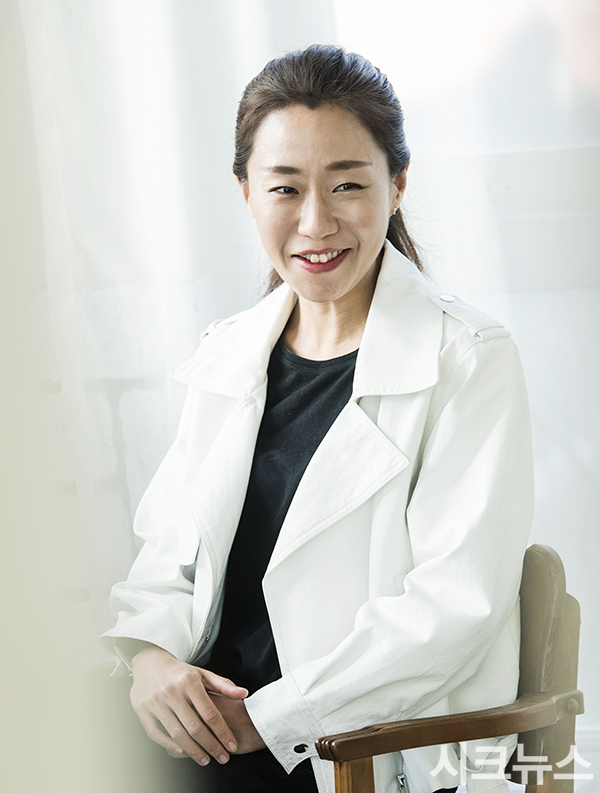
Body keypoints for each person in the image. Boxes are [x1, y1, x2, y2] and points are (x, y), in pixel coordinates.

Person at [100, 44, 534, 793]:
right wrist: (150, 660)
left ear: (397, 186)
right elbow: (168, 553)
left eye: (347, 185)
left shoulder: (468, 358)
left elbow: (454, 607)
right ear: (246, 194)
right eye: (285, 188)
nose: (315, 221)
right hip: (204, 723)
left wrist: (271, 717)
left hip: (344, 747)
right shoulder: (229, 352)